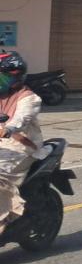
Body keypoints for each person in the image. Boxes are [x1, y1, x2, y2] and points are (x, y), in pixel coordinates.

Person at [0, 51, 47, 237]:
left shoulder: (29, 97)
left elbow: (23, 118)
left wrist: (9, 128)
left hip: (20, 148)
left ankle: (2, 218)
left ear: (13, 76)